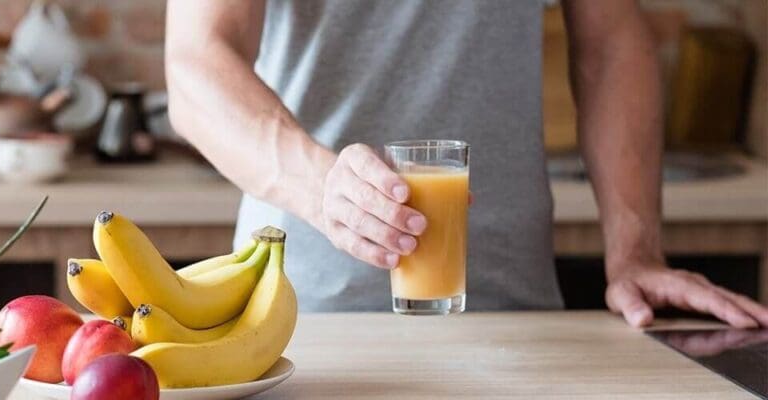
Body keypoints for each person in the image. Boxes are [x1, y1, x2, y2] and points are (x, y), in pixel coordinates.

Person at [163, 0, 768, 327]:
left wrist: (636, 251)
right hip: (300, 320)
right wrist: (324, 186)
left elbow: (611, 39)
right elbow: (195, 62)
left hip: (518, 315)